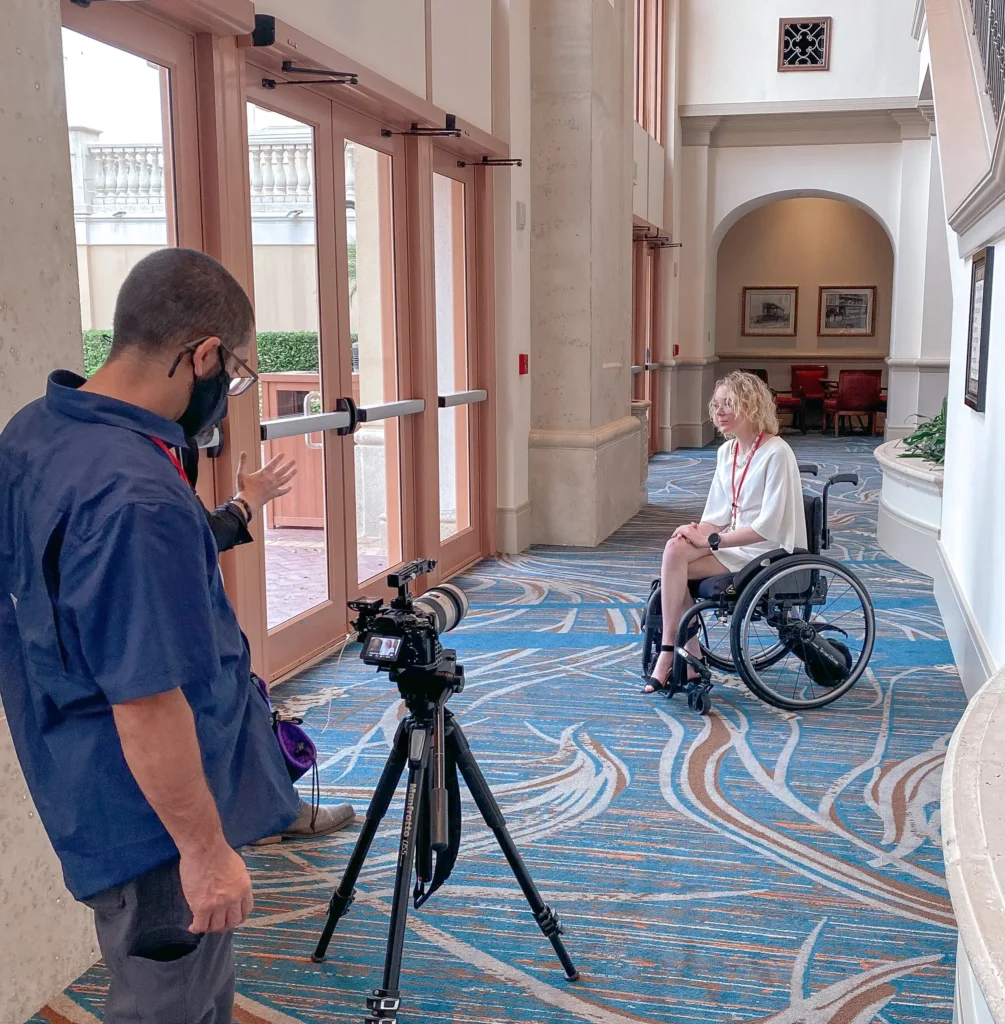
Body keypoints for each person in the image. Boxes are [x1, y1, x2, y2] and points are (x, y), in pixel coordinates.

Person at [2, 248, 297, 1022]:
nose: (227, 392)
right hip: (153, 822)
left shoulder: (38, 432)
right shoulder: (132, 493)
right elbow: (147, 699)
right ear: (200, 354)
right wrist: (204, 856)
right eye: (233, 372)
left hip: (82, 769)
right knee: (172, 1005)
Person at [179, 440, 355, 842]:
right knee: (230, 695)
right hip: (178, 624)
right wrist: (247, 501)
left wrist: (244, 501)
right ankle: (268, 815)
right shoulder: (143, 456)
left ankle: (264, 812)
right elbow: (199, 537)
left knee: (239, 693)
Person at [643, 370, 806, 693]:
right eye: (716, 405)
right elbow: (715, 517)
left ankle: (672, 654)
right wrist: (691, 533)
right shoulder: (727, 452)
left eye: (729, 404)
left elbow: (769, 526)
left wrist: (713, 540)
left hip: (765, 551)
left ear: (752, 406)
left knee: (679, 565)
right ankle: (677, 651)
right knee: (676, 550)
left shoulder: (776, 452)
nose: (719, 412)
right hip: (730, 544)